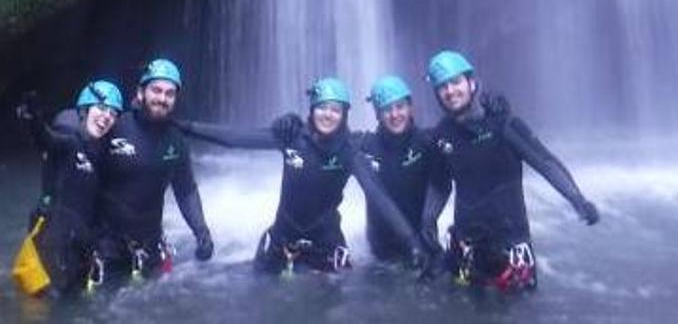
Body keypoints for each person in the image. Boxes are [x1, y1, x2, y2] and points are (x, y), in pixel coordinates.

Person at [181, 77, 430, 275]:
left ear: (344, 115)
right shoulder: (292, 138)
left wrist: (412, 243)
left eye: (335, 109)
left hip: (326, 250)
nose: (328, 114)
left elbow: (379, 198)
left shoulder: (349, 152)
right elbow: (235, 139)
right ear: (312, 110)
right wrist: (186, 127)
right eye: (322, 107)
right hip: (279, 245)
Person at [421, 50, 600, 291]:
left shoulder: (503, 124)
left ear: (471, 82)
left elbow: (545, 162)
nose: (450, 91)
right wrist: (428, 220)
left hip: (513, 246)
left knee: (521, 311)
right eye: (442, 87)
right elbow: (440, 184)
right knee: (463, 310)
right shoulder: (442, 135)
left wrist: (577, 199)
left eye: (455, 82)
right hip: (466, 247)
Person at [95, 58, 213, 280]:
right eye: (156, 90)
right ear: (141, 93)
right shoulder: (115, 126)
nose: (162, 98)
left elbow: (186, 190)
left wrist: (201, 231)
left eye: (170, 93)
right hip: (105, 250)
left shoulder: (176, 141)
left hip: (150, 250)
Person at [13, 80, 123, 296]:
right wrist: (34, 119)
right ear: (83, 111)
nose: (106, 116)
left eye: (112, 113)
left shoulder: (100, 157)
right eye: (101, 108)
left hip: (77, 252)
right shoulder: (68, 143)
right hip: (52, 245)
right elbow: (46, 139)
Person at [359, 74, 440, 263]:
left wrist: (495, 114)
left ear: (410, 108)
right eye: (387, 109)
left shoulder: (428, 142)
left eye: (400, 106)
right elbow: (329, 138)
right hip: (379, 253)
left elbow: (465, 139)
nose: (395, 115)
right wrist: (295, 126)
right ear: (377, 114)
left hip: (424, 246)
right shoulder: (365, 147)